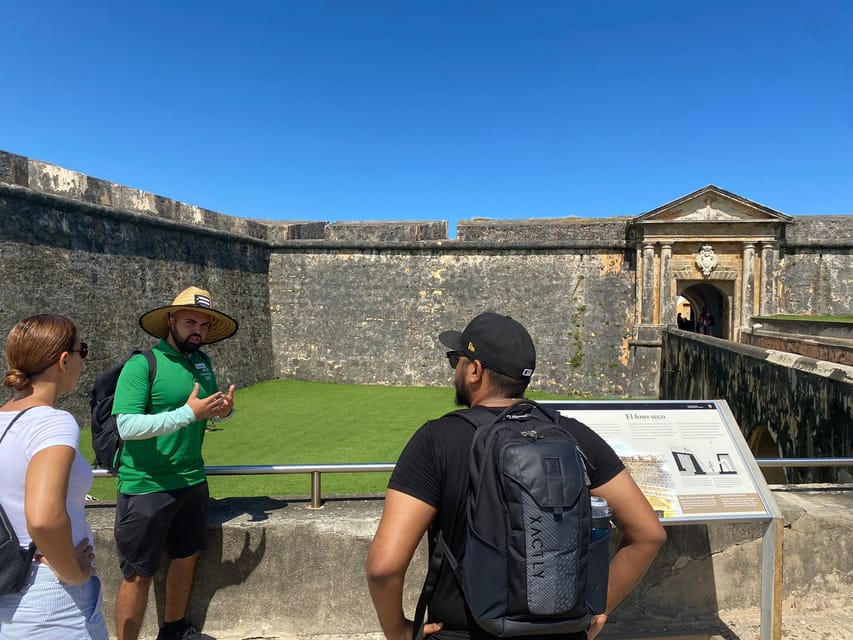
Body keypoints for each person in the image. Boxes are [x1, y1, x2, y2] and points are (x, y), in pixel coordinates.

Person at [366, 312, 666, 640]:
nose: (455, 371)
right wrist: (596, 608)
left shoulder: (437, 440)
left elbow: (384, 568)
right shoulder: (574, 435)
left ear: (475, 370)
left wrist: (399, 631)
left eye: (457, 360)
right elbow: (649, 535)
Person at [111, 287, 238, 640]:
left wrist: (224, 410)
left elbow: (204, 410)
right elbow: (127, 426)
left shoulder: (202, 362)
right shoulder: (142, 365)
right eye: (189, 321)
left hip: (192, 478)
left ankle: (174, 630)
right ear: (171, 321)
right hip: (147, 485)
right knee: (138, 573)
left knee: (187, 556)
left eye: (202, 324)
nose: (197, 329)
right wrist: (187, 414)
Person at [0, 314, 108, 639]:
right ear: (64, 360)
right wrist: (74, 573)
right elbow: (44, 518)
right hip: (51, 595)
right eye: (82, 351)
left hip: (8, 585)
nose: (83, 361)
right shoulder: (53, 422)